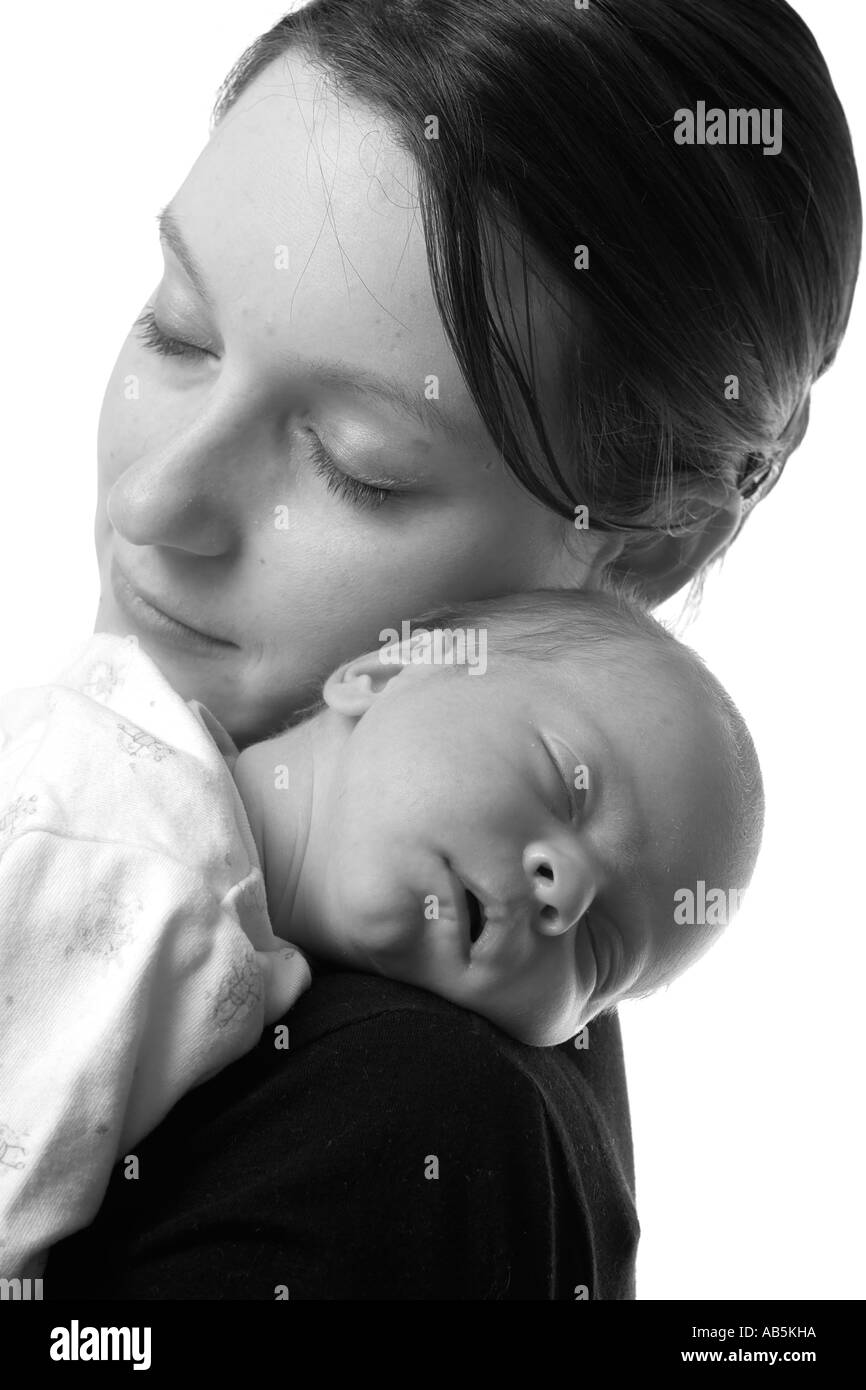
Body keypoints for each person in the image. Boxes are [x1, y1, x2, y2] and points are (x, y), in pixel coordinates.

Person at [43, 0, 860, 1298]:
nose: (154, 506)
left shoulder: (411, 1124)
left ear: (636, 555)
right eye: (179, 330)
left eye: (356, 467)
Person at [1, 588, 763, 1280]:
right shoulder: (120, 850)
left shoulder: (244, 948)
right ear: (384, 675)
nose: (564, 895)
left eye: (600, 951)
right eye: (567, 781)